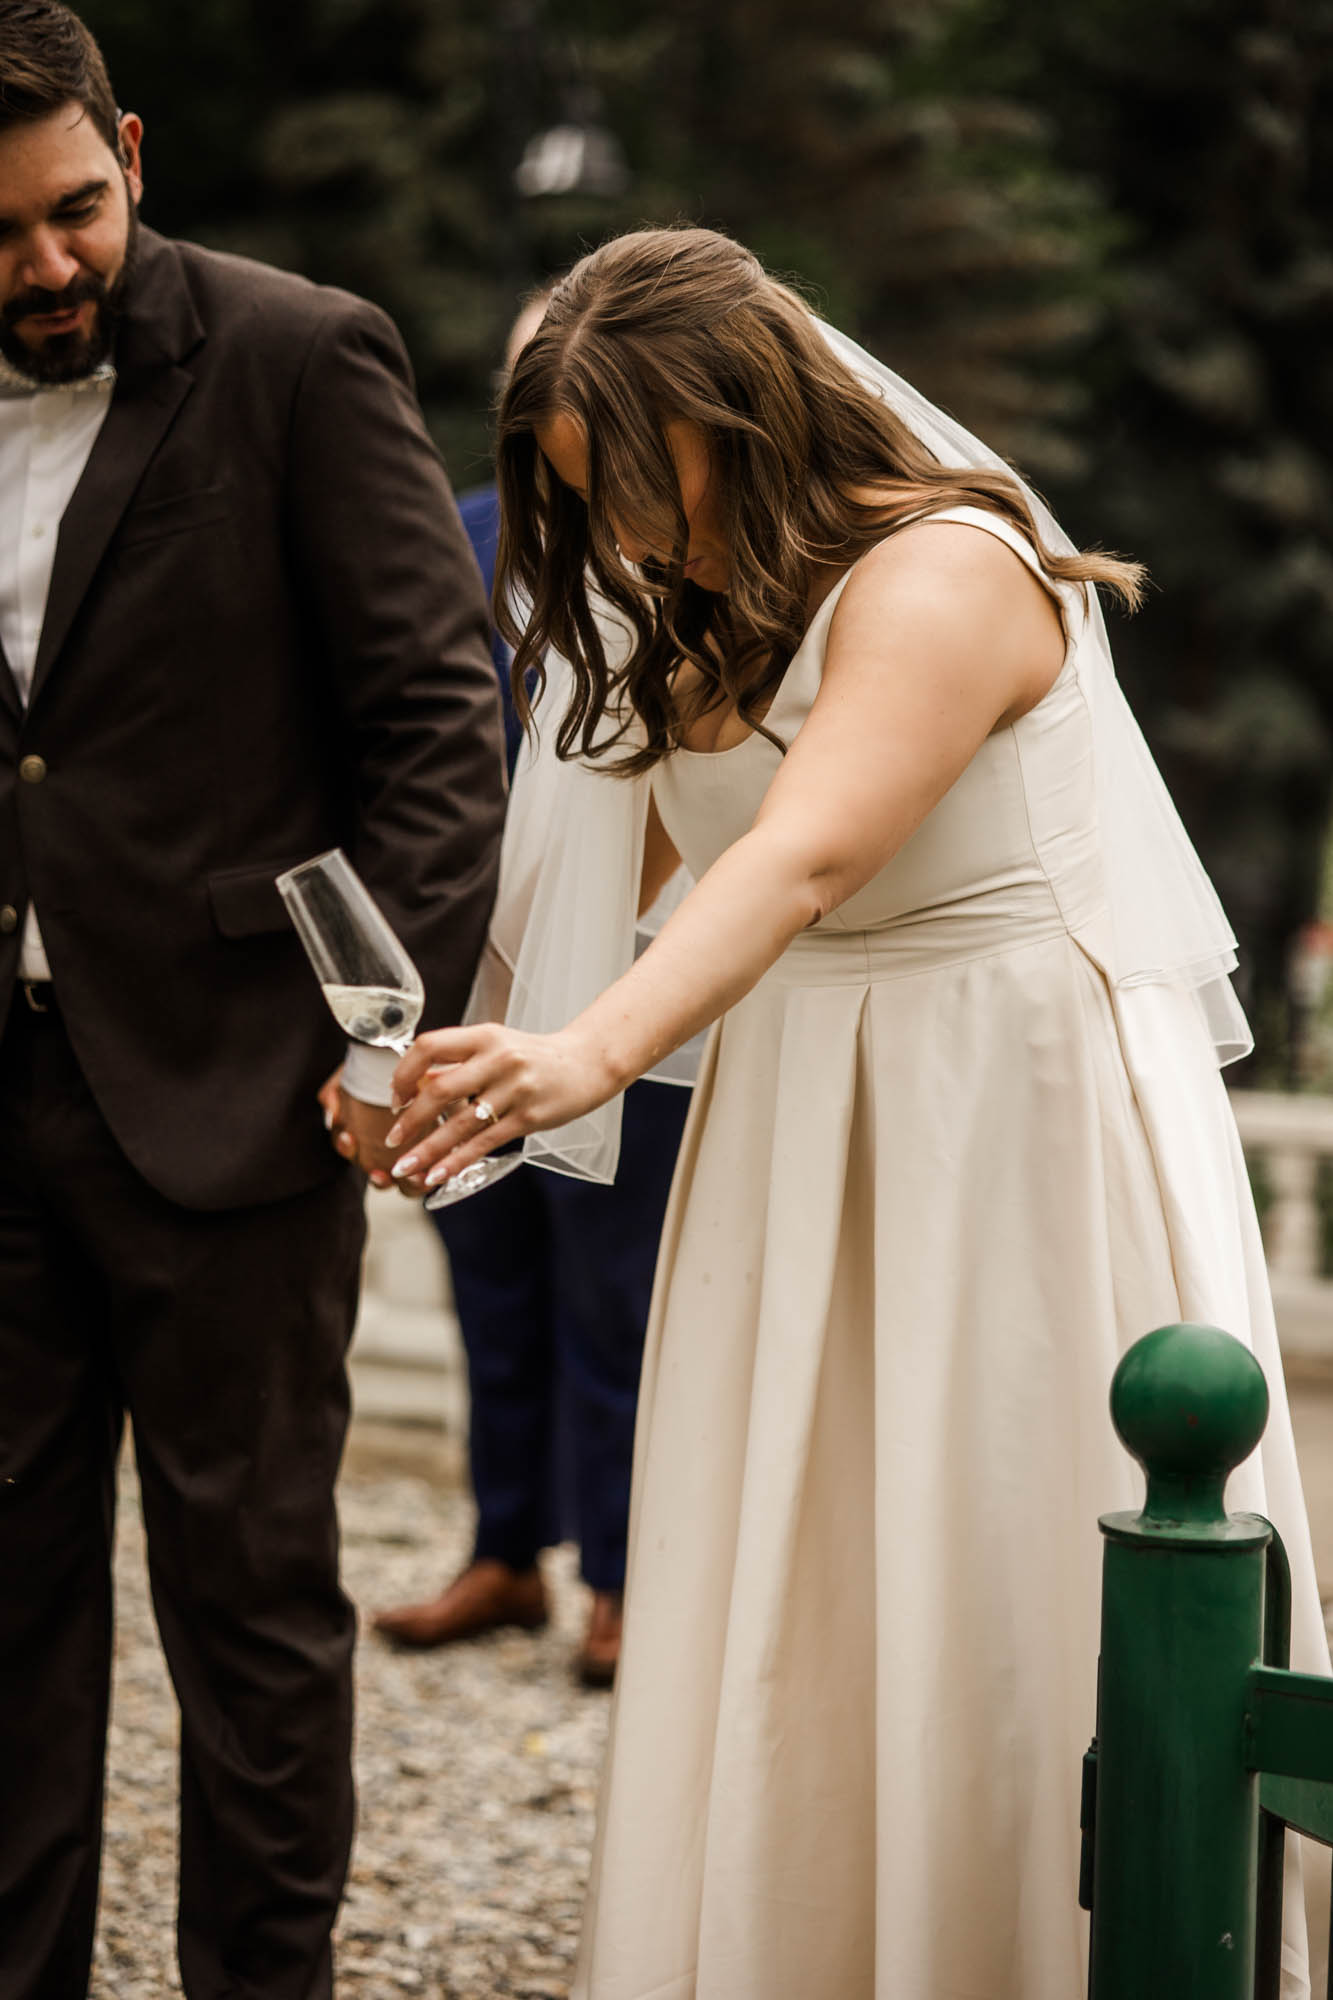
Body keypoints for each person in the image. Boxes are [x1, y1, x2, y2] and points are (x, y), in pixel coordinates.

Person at [384, 226, 1328, 1999]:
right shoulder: (689, 613)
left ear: (737, 419)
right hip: (793, 1103)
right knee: (801, 1569)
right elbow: (594, 875)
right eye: (588, 507)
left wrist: (590, 1056)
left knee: (990, 1526)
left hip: (1001, 1097)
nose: (628, 546)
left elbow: (804, 853)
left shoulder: (948, 570)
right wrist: (455, 1069)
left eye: (636, 493)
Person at [0, 7, 506, 1996]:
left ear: (131, 150)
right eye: (5, 236)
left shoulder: (302, 354)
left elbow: (439, 731)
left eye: (78, 211)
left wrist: (382, 1040)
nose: (47, 268)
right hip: (2, 1110)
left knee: (252, 1611)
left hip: (240, 1095)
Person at [372, 292, 692, 1685]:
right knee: (487, 1275)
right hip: (474, 970)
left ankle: (622, 1578)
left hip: (628, 986)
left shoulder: (686, 549)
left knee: (619, 1294)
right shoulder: (449, 542)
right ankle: (504, 1552)